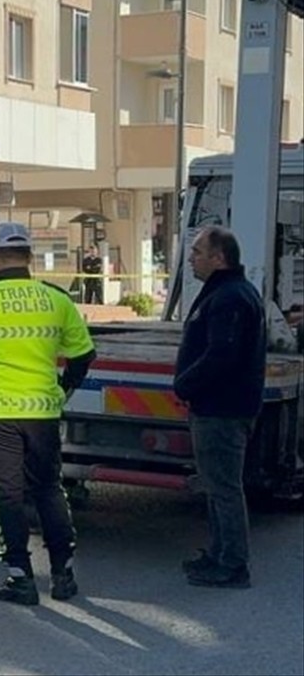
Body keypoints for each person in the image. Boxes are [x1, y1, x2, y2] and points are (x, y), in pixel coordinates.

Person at [0, 222, 96, 605]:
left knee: (7, 495)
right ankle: (63, 574)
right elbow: (83, 354)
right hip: (43, 412)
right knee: (48, 489)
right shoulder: (56, 299)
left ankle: (20, 577)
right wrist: (64, 388)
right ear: (30, 257)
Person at [174, 226, 266, 589]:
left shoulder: (229, 297)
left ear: (219, 257)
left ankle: (233, 564)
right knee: (214, 485)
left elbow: (221, 354)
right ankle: (217, 553)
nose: (192, 257)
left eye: (197, 251)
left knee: (224, 487)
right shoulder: (225, 292)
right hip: (217, 405)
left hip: (222, 409)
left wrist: (186, 383)